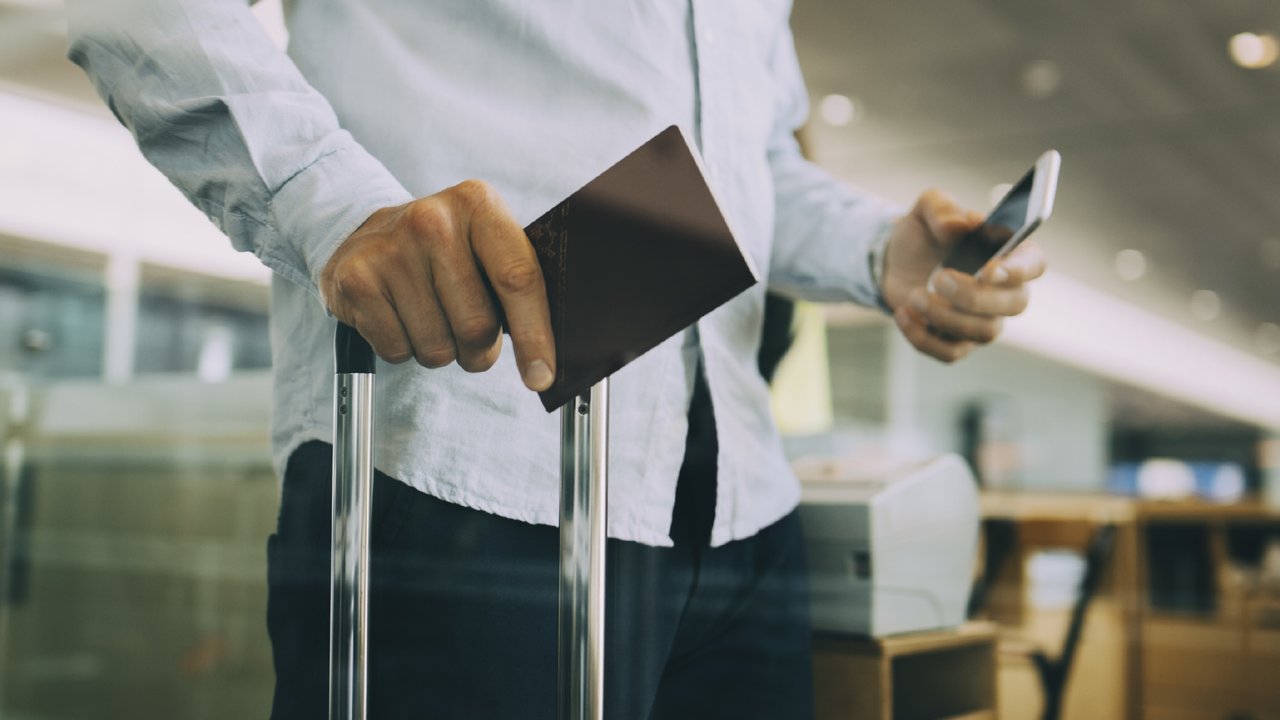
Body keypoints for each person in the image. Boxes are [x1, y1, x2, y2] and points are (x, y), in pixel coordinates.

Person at [66, 2, 1046, 718]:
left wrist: (881, 253)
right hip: (464, 466)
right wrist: (328, 199)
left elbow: (739, 167)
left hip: (740, 506)